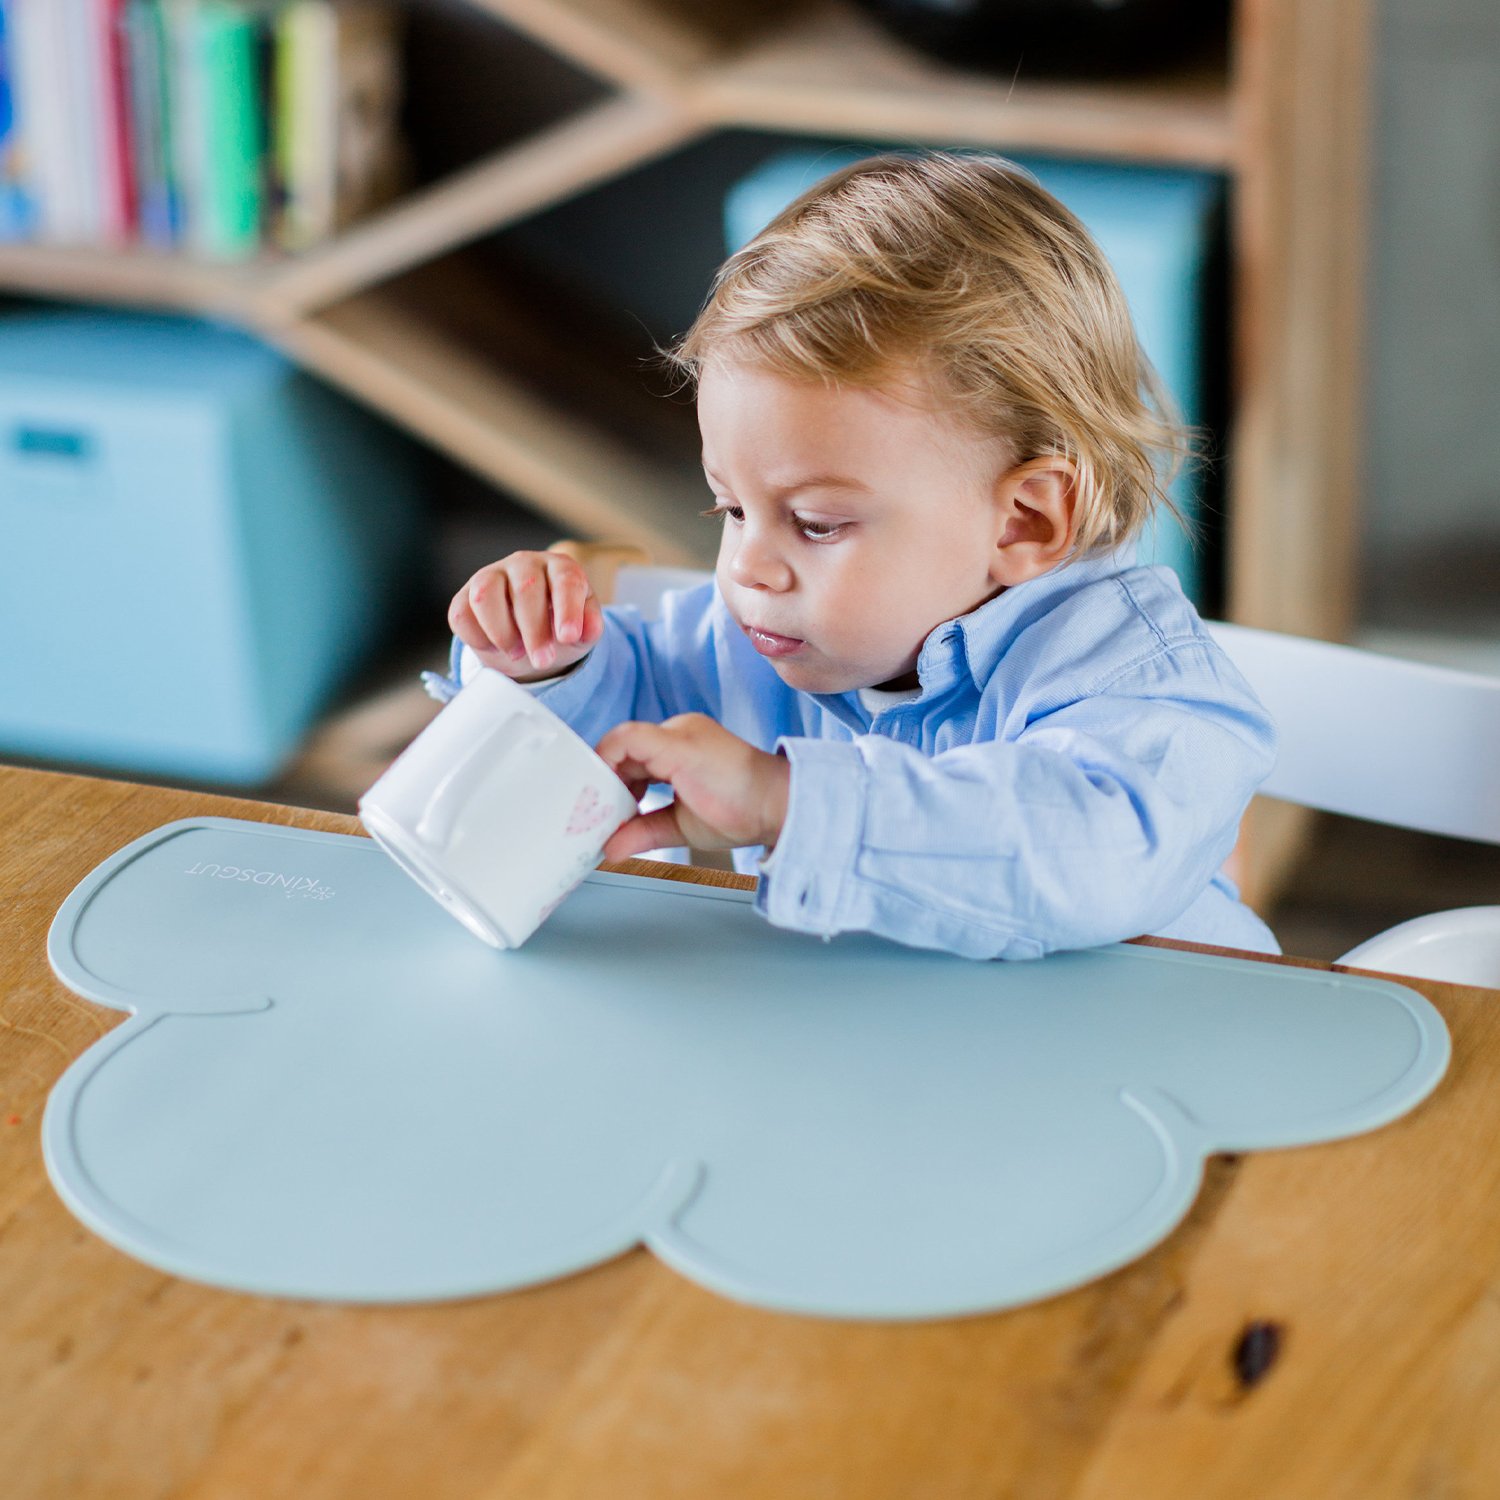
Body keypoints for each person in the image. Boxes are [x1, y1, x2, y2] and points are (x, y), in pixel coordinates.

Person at [427, 152, 1278, 960]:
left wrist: (787, 803)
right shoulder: (756, 639)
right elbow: (619, 719)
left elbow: (1094, 855)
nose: (749, 569)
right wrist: (551, 667)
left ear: (1022, 521)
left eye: (817, 524)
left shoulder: (1136, 674)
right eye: (732, 509)